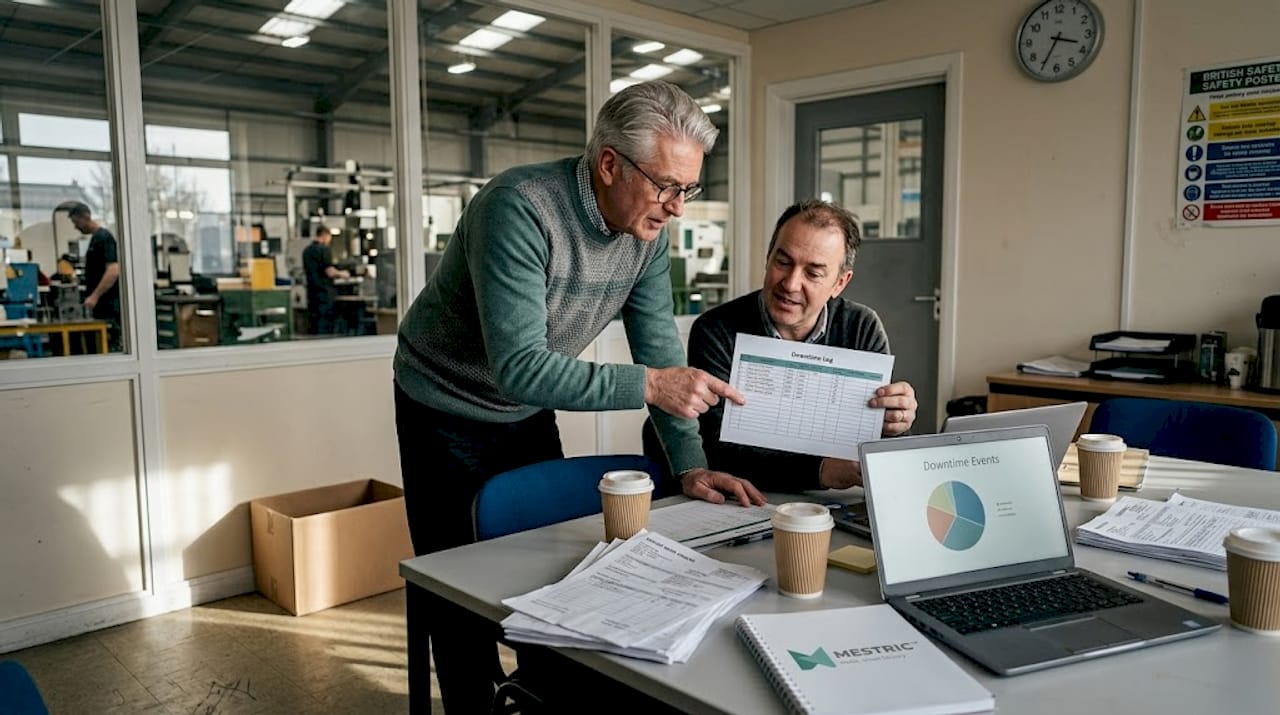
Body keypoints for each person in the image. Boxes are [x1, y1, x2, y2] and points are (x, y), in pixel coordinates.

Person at [392, 80, 765, 712]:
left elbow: (660, 355)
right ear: (610, 163)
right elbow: (519, 367)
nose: (677, 207)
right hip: (443, 402)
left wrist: (691, 465)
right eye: (666, 186)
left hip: (527, 406)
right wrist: (649, 385)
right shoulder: (519, 207)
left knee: (550, 570)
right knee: (460, 591)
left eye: (688, 189)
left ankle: (541, 696)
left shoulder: (646, 234)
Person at [687, 199, 919, 492]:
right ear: (768, 258)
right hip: (746, 497)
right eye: (783, 262)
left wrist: (897, 423)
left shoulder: (861, 327)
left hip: (838, 503)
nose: (791, 284)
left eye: (813, 273)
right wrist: (821, 470)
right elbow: (717, 451)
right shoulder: (716, 330)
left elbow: (877, 447)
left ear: (840, 283)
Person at [66, 202, 121, 352]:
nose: (76, 227)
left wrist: (95, 296)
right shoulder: (94, 239)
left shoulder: (104, 238)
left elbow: (113, 270)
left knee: (109, 347)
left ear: (86, 217)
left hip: (108, 307)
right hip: (100, 307)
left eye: (76, 222)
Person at [302, 226, 348, 335]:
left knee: (314, 324)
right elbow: (329, 271)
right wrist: (343, 274)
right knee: (325, 325)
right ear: (325, 235)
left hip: (312, 293)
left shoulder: (306, 251)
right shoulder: (324, 250)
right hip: (324, 293)